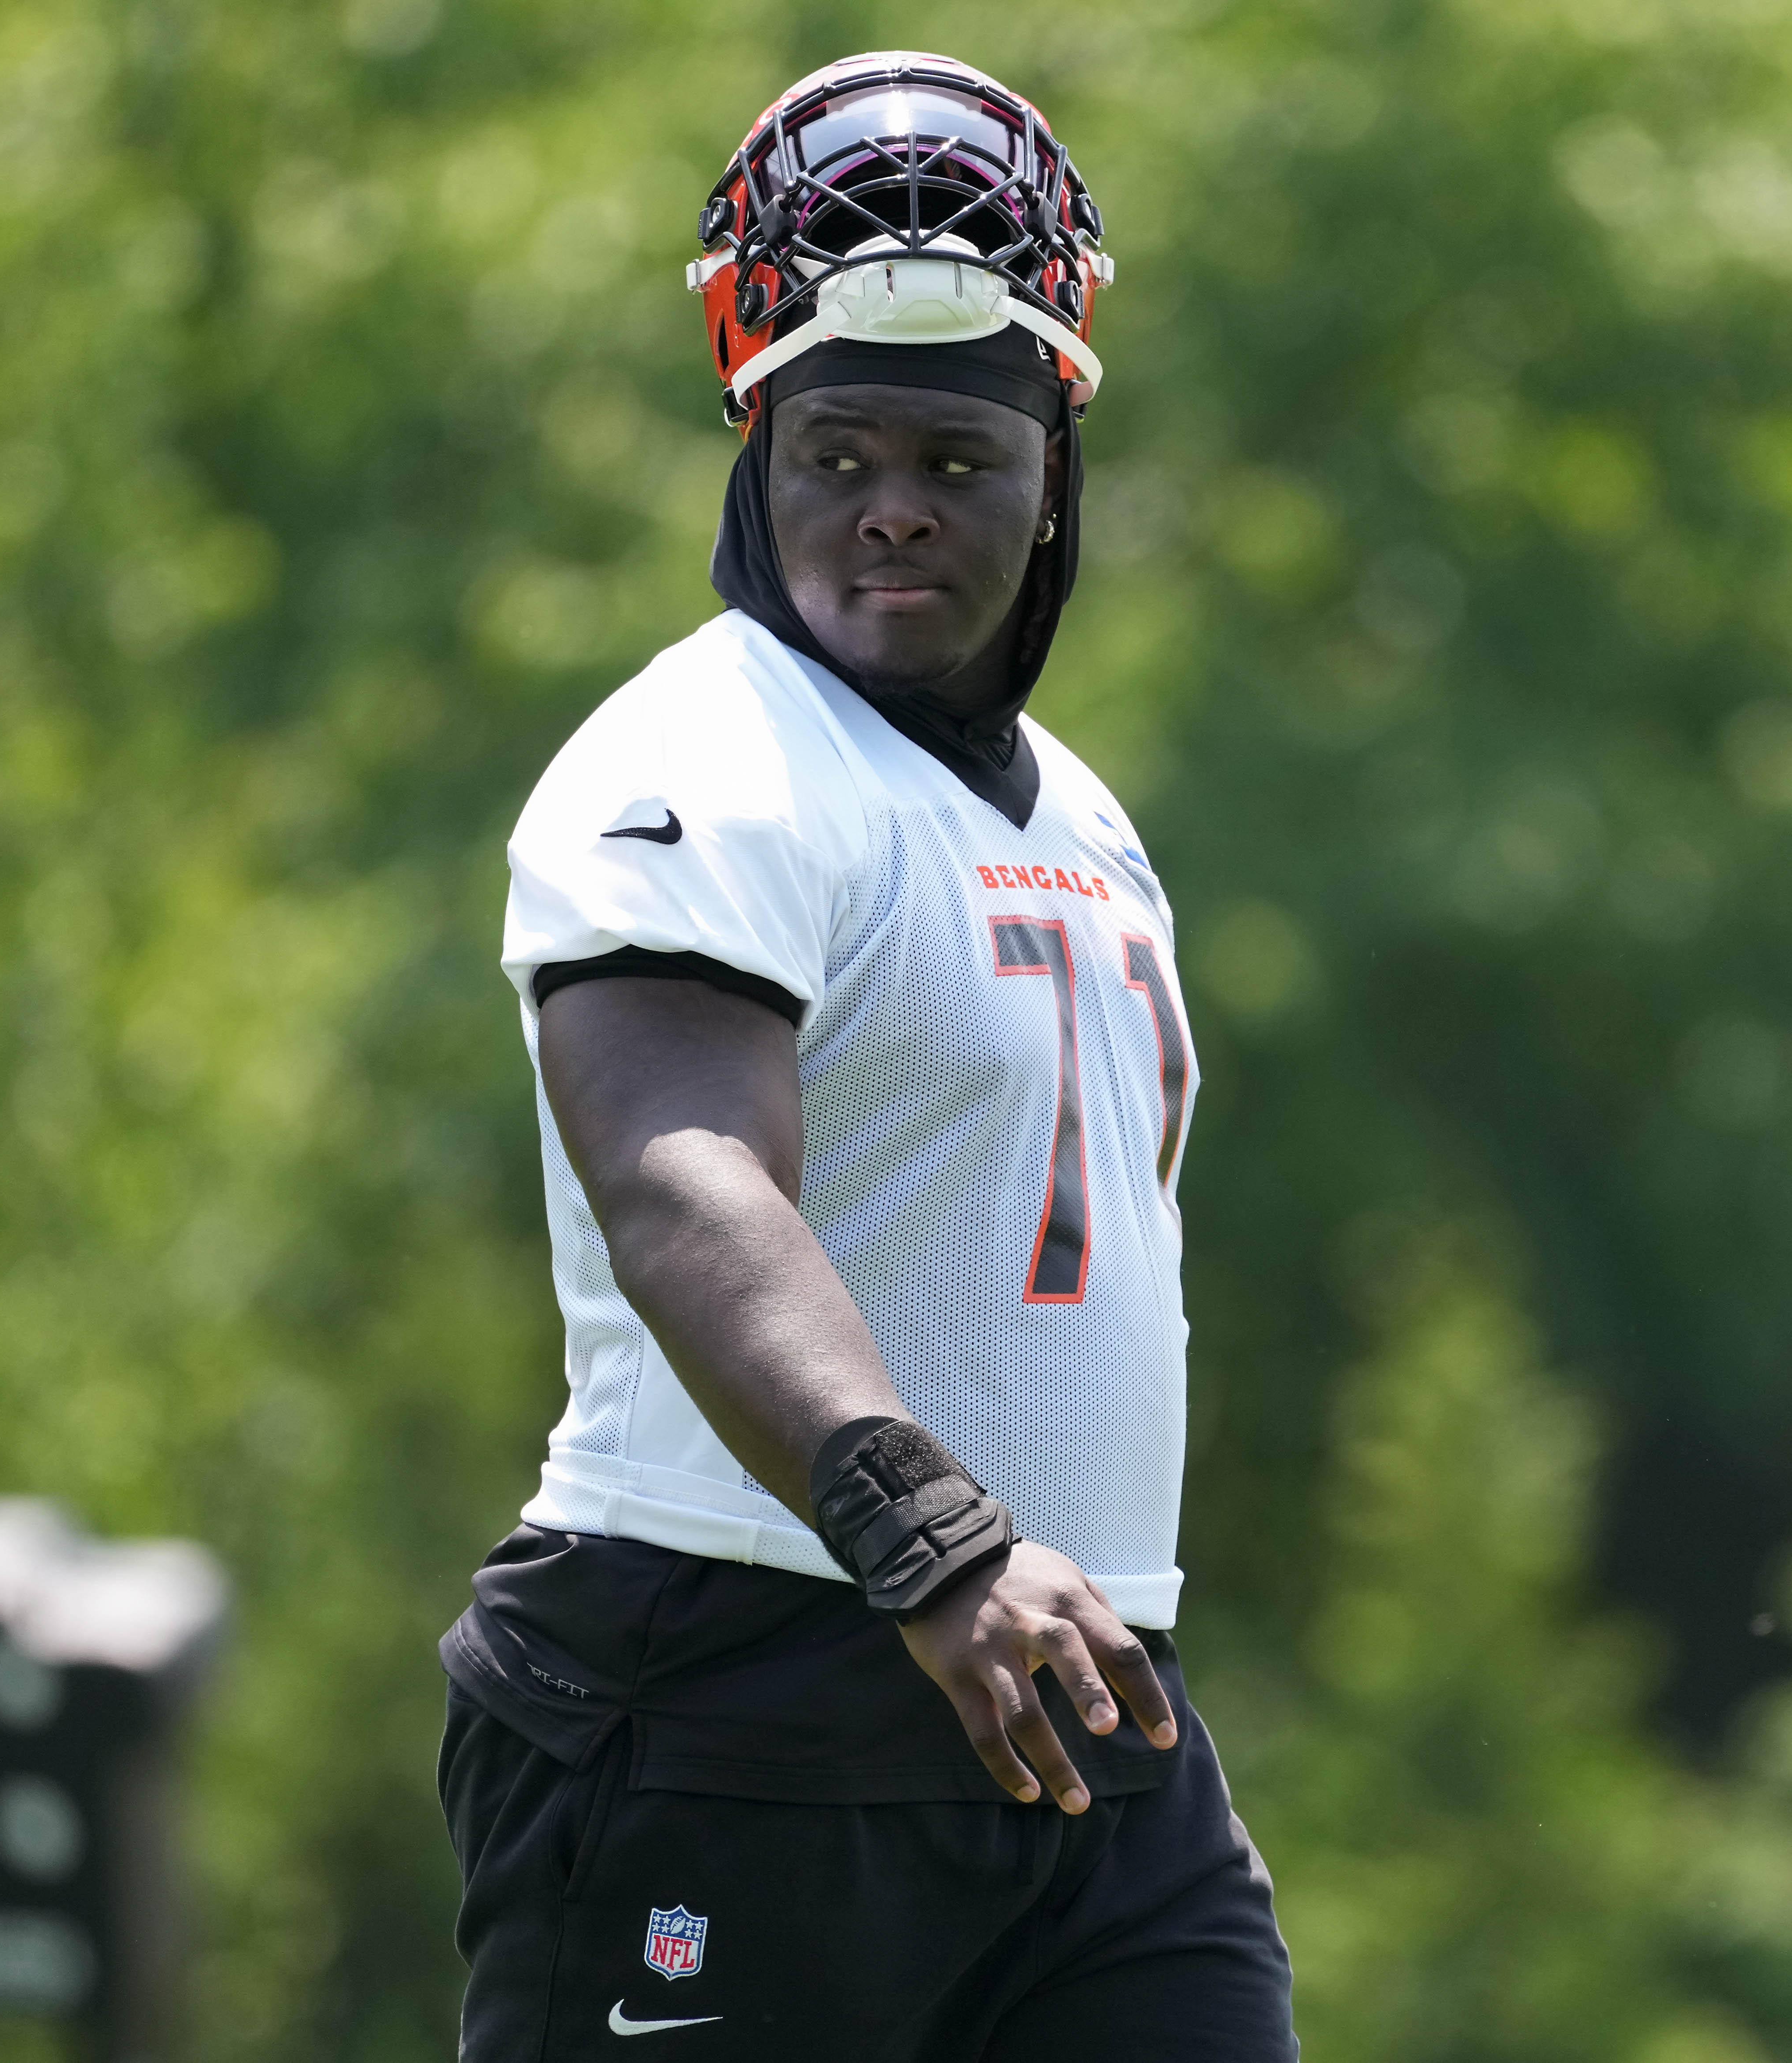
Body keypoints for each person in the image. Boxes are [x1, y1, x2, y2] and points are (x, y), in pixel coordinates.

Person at [436, 52, 1295, 2060]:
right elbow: (682, 1176)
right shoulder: (699, 756)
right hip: (742, 1684)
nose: (892, 504)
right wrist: (932, 1535)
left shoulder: (1078, 809)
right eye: (837, 454)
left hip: (1076, 1703)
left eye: (955, 459)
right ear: (756, 453)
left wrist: (1011, 1579)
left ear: (1054, 471)